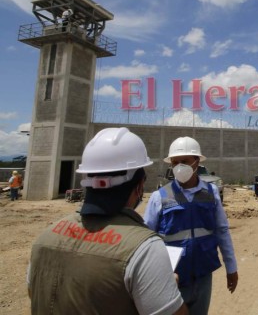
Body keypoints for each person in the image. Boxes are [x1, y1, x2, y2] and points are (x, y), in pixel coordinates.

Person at [27, 127, 188, 314]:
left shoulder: (44, 237)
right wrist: (168, 286)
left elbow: (34, 293)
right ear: (139, 185)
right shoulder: (144, 248)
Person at [144, 136, 238, 315]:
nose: (179, 166)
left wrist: (231, 267)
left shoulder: (211, 193)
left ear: (197, 162)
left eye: (185, 161)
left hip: (203, 275)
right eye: (175, 162)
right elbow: (146, 239)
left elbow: (222, 231)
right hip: (172, 278)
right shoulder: (160, 196)